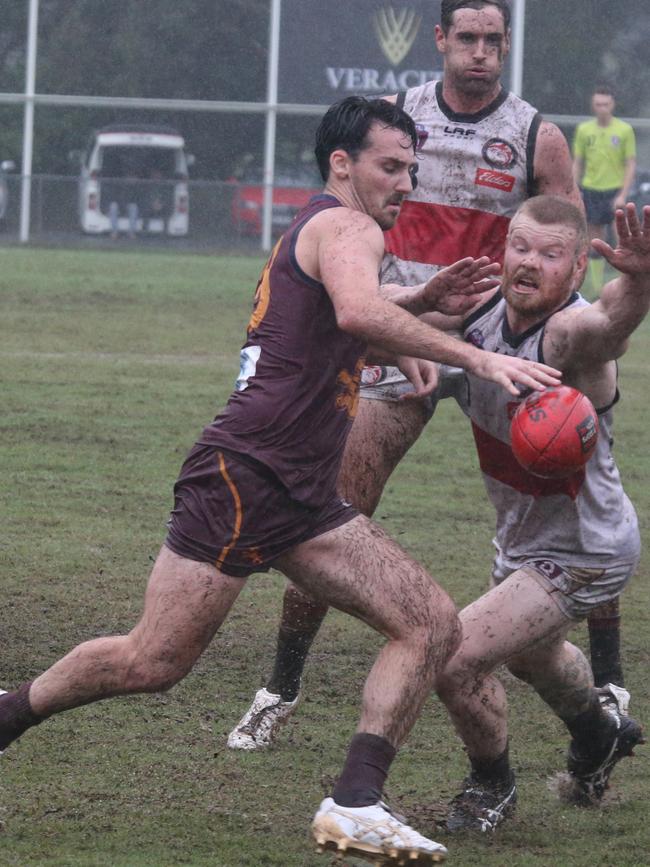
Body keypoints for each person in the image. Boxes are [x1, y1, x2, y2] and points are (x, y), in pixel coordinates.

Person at [0, 97, 560, 865]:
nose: (407, 183)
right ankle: (6, 716)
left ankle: (356, 802)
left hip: (298, 490)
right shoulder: (350, 226)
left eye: (412, 167)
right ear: (343, 164)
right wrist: (477, 355)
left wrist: (423, 301)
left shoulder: (323, 226)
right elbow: (358, 309)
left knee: (430, 621)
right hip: (247, 472)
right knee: (153, 660)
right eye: (391, 166)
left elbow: (342, 310)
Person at [227, 0, 626, 751]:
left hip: (497, 341)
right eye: (466, 38)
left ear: (506, 46)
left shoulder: (537, 133)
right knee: (340, 501)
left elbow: (567, 246)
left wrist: (572, 356)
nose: (480, 52)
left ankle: (607, 676)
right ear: (440, 40)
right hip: (402, 338)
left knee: (575, 481)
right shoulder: (396, 118)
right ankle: (280, 684)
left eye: (493, 40)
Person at [431, 195, 647, 831]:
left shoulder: (570, 335)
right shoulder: (477, 315)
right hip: (522, 542)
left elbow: (609, 327)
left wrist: (641, 280)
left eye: (550, 255)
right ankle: (597, 735)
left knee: (455, 655)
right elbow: (389, 326)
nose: (529, 263)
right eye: (520, 247)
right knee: (534, 655)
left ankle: (490, 785)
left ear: (577, 268)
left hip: (588, 550)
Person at [573, 85, 637, 294]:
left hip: (615, 189)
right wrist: (576, 188)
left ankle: (624, 285)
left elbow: (630, 163)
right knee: (595, 241)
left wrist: (622, 194)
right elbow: (578, 162)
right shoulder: (584, 130)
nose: (602, 108)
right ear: (593, 105)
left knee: (622, 238)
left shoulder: (624, 130)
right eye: (598, 104)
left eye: (606, 104)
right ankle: (599, 288)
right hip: (592, 189)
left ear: (612, 105)